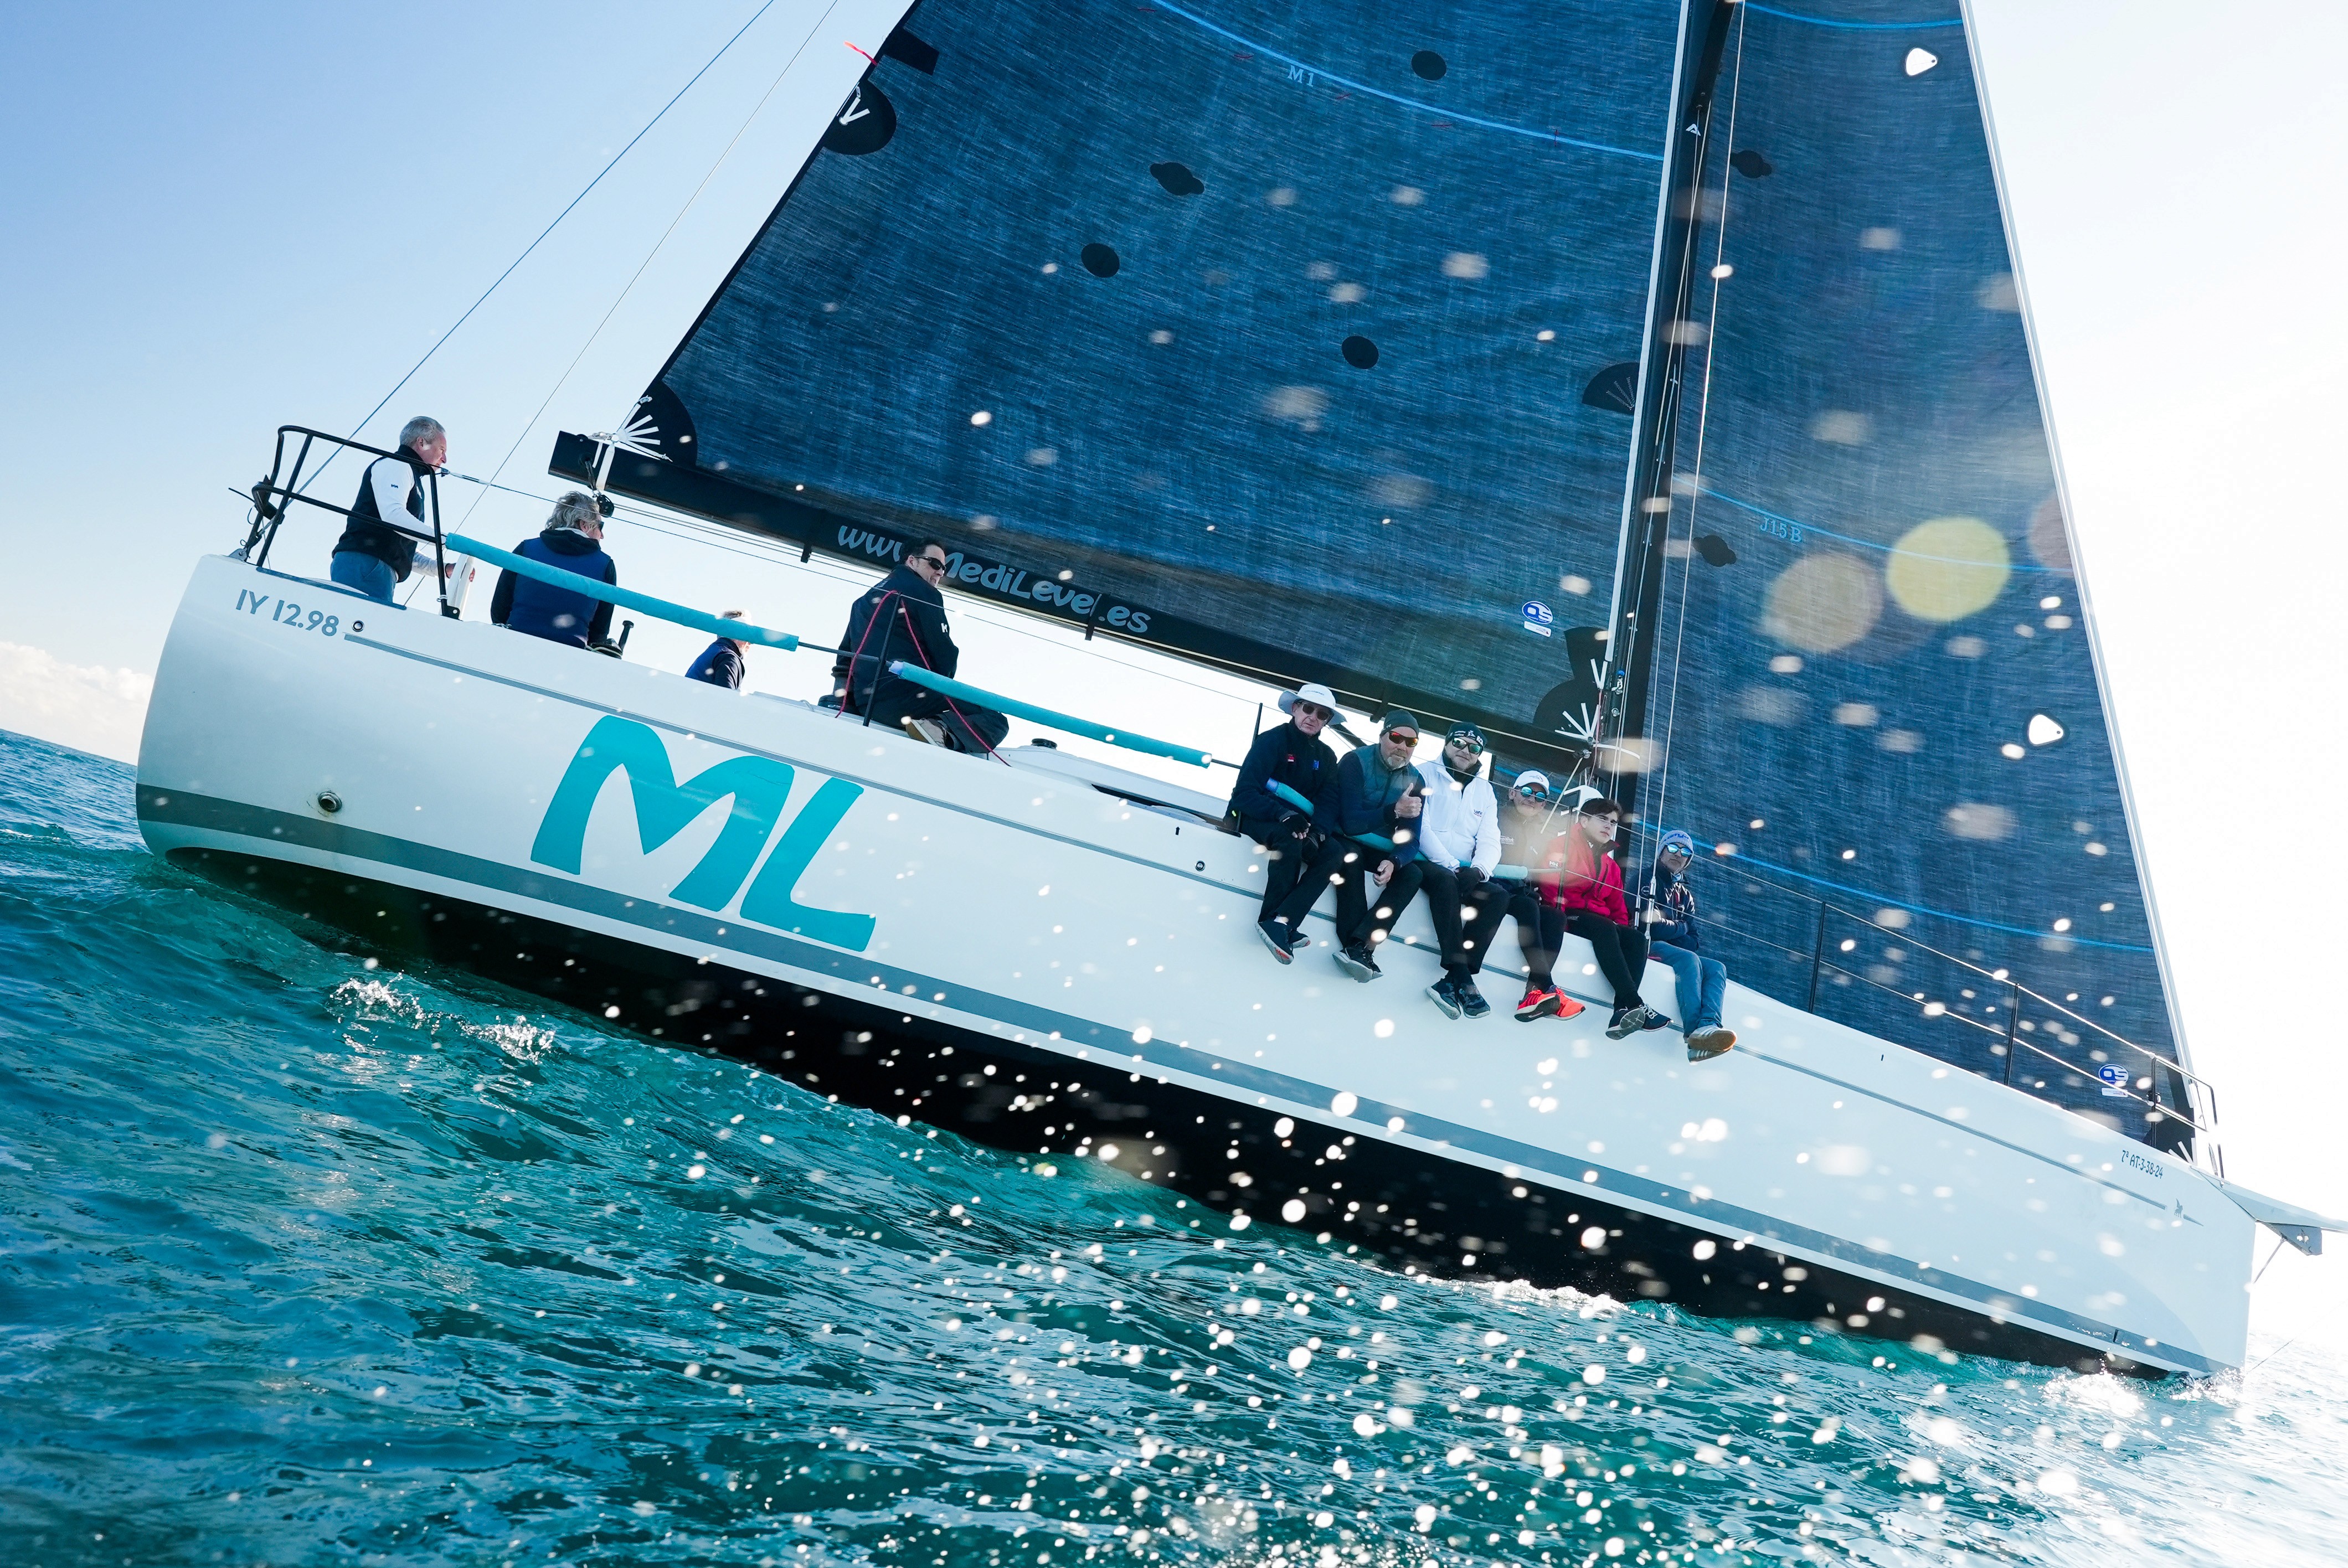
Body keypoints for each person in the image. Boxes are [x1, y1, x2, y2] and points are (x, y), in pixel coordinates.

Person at [829, 541, 1009, 754]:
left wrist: (843, 704)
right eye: (934, 564)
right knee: (994, 718)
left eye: (943, 568)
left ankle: (935, 726)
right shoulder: (924, 593)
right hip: (905, 702)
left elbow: (845, 661)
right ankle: (937, 729)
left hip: (865, 704)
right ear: (912, 561)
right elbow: (944, 657)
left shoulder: (862, 601)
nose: (940, 573)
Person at [1227, 683, 1349, 963]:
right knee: (1289, 838)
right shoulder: (1272, 741)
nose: (1313, 717)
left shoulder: (1328, 756)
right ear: (1295, 709)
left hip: (1302, 825)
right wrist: (1282, 814)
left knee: (1334, 853)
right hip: (1255, 817)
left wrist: (1319, 832)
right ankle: (1272, 920)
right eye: (1308, 709)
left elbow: (1329, 801)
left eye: (1322, 715)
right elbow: (1244, 793)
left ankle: (1285, 923)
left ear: (1327, 721)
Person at [1541, 796, 1669, 1038]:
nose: (1609, 826)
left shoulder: (1610, 866)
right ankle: (1634, 1002)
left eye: (1613, 822)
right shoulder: (1561, 845)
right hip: (1567, 913)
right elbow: (1550, 885)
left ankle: (1621, 1011)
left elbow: (1618, 908)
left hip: (1596, 920)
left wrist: (1623, 933)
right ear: (1584, 820)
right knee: (1604, 927)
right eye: (1602, 819)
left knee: (1636, 939)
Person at [1320, 711, 1428, 981]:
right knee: (1351, 856)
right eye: (1396, 738)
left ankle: (1363, 943)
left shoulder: (1417, 780)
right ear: (1382, 737)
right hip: (1347, 836)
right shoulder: (1355, 761)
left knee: (1413, 872)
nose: (1402, 747)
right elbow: (1351, 823)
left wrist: (1394, 861)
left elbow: (1411, 837)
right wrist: (1395, 810)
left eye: (1411, 743)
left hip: (1378, 846)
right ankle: (1355, 946)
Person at [1411, 723, 1508, 1018]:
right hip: (1425, 860)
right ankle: (1463, 978)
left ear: (1481, 754)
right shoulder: (1424, 773)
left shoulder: (1486, 791)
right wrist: (1452, 866)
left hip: (1464, 872)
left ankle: (1453, 981)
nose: (1465, 751)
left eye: (1474, 748)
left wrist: (1479, 870)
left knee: (1499, 896)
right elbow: (1421, 827)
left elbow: (1491, 839)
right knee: (1445, 883)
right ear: (1446, 743)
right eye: (1459, 743)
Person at [1494, 770, 1584, 1023]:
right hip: (1492, 888)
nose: (1532, 799)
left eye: (1540, 797)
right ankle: (1547, 986)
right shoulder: (1494, 816)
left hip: (1518, 893)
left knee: (1555, 916)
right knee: (1528, 906)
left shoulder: (1542, 836)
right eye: (1526, 792)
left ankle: (1533, 994)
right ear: (1512, 793)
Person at [1641, 828, 1737, 1060]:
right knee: (1689, 960)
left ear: (1689, 860)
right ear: (1661, 851)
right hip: (1645, 944)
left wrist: (1673, 929)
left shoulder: (1685, 894)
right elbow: (1650, 925)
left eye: (1685, 852)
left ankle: (1709, 1025)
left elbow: (1694, 941)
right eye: (1673, 848)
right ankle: (1694, 1033)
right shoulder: (1648, 879)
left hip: (1669, 947)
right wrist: (1680, 927)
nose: (1678, 854)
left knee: (1716, 968)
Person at [331, 415, 445, 604]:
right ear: (422, 442)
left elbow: (396, 541)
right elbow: (393, 517)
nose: (445, 459)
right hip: (366, 564)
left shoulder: (409, 473)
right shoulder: (396, 464)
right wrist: (445, 541)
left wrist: (439, 568)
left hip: (377, 568)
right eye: (441, 450)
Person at [489, 491, 617, 649]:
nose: (602, 535)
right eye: (600, 526)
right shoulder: (605, 565)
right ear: (584, 525)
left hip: (514, 642)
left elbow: (499, 609)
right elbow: (599, 631)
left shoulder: (526, 549)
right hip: (570, 654)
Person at [686, 610, 750, 690]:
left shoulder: (714, 652)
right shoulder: (728, 657)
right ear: (735, 634)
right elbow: (726, 698)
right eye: (748, 636)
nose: (750, 642)